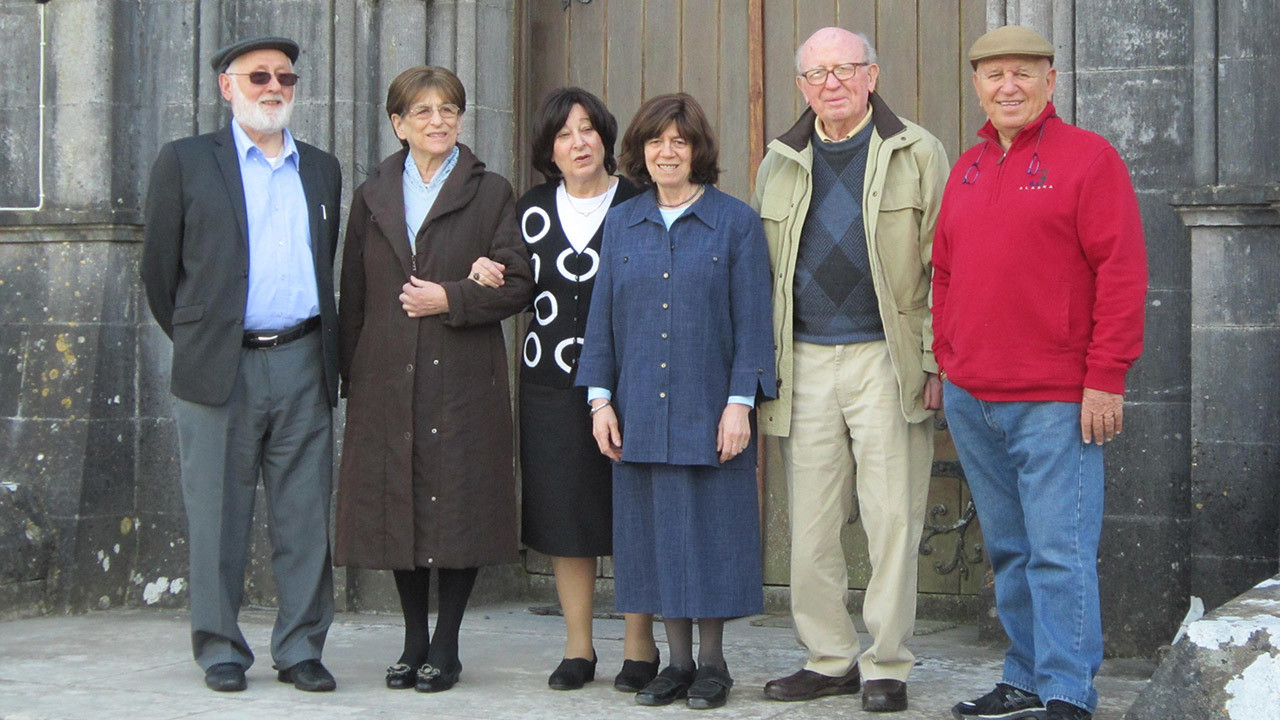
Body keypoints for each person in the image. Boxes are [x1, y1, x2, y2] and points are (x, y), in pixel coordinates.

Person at [933, 26, 1147, 720]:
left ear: (1050, 82)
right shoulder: (965, 169)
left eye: (1024, 73)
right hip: (974, 396)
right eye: (995, 75)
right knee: (1011, 550)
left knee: (1060, 552)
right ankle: (1024, 675)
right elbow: (944, 272)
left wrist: (1105, 376)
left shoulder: (1088, 160)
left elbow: (1122, 272)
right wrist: (950, 355)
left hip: (1057, 399)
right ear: (977, 86)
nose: (1009, 86)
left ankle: (1066, 691)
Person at [751, 27, 948, 713]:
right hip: (803, 361)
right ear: (801, 86)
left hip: (883, 360)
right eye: (815, 73)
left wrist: (932, 357)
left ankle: (887, 664)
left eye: (845, 69)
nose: (830, 83)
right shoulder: (778, 161)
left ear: (872, 75)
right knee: (810, 524)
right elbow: (765, 277)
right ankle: (829, 658)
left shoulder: (917, 151)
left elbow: (941, 266)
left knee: (893, 516)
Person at [141, 36, 342, 693]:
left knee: (306, 517)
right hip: (218, 368)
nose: (273, 86)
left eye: (285, 76)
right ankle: (221, 649)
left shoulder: (322, 169)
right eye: (257, 76)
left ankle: (302, 648)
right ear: (226, 86)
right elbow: (158, 274)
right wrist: (206, 338)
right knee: (216, 518)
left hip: (304, 359)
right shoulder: (185, 162)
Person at [333, 65, 533, 694]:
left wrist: (449, 298)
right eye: (422, 111)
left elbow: (519, 280)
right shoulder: (372, 196)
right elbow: (354, 294)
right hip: (387, 373)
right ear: (398, 124)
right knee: (402, 503)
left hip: (465, 375)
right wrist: (351, 377)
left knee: (461, 502)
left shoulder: (492, 190)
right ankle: (412, 639)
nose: (438, 120)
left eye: (449, 109)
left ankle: (446, 644)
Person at [575, 93, 776, 711]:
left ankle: (713, 667)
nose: (667, 152)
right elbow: (603, 317)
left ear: (698, 152)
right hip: (638, 410)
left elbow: (753, 321)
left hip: (709, 409)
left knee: (710, 534)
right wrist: (600, 401)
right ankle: (676, 665)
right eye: (657, 141)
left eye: (680, 142)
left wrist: (740, 402)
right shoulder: (622, 223)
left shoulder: (735, 222)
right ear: (640, 151)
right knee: (654, 538)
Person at [467, 87, 660, 693]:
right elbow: (508, 278)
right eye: (562, 134)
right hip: (549, 384)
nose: (577, 142)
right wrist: (482, 272)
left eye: (587, 129)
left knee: (630, 510)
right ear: (549, 149)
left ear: (605, 135)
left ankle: (639, 644)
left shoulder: (639, 203)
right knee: (563, 514)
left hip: (631, 383)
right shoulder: (529, 209)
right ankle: (579, 647)